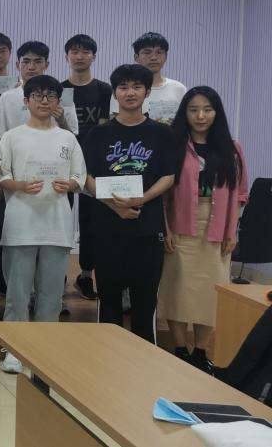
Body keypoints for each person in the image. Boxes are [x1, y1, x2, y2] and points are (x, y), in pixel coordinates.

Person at [0, 75, 86, 375]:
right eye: (37, 95)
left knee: (51, 297)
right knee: (17, 296)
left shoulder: (67, 139)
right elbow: (0, 176)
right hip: (20, 226)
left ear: (58, 102)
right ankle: (14, 350)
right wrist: (20, 185)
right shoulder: (12, 137)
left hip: (56, 226)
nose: (44, 100)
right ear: (26, 101)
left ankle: (44, 353)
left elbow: (80, 177)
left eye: (50, 96)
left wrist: (69, 184)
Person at [159, 87, 248, 372]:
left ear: (216, 113)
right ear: (184, 113)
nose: (200, 116)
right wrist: (166, 229)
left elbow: (240, 193)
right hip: (180, 225)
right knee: (177, 290)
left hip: (218, 226)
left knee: (211, 293)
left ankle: (199, 352)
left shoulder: (232, 148)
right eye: (193, 109)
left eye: (207, 109)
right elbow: (163, 194)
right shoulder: (174, 145)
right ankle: (180, 349)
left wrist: (232, 230)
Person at [85, 64, 176, 344]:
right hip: (107, 228)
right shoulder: (99, 134)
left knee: (145, 302)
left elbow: (169, 176)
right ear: (115, 93)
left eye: (137, 87)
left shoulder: (162, 134)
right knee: (109, 300)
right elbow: (86, 176)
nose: (130, 92)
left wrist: (141, 199)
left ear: (147, 92)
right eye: (123, 87)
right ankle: (106, 359)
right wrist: (114, 205)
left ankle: (144, 361)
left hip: (147, 230)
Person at [61, 34, 112, 301]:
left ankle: (86, 275)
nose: (79, 56)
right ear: (66, 56)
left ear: (94, 56)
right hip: (62, 162)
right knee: (60, 218)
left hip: (94, 163)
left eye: (85, 52)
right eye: (74, 51)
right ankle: (58, 276)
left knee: (91, 222)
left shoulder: (105, 90)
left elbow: (104, 128)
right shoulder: (58, 89)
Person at [0, 41, 77, 134]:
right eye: (26, 62)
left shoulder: (63, 95)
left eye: (38, 62)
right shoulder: (7, 98)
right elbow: (0, 135)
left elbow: (73, 136)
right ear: (17, 65)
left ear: (46, 65)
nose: (31, 67)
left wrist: (62, 121)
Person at [109, 32, 187, 125]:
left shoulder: (178, 89)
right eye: (147, 52)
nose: (153, 57)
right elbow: (115, 124)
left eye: (159, 52)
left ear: (166, 57)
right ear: (136, 57)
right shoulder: (123, 90)